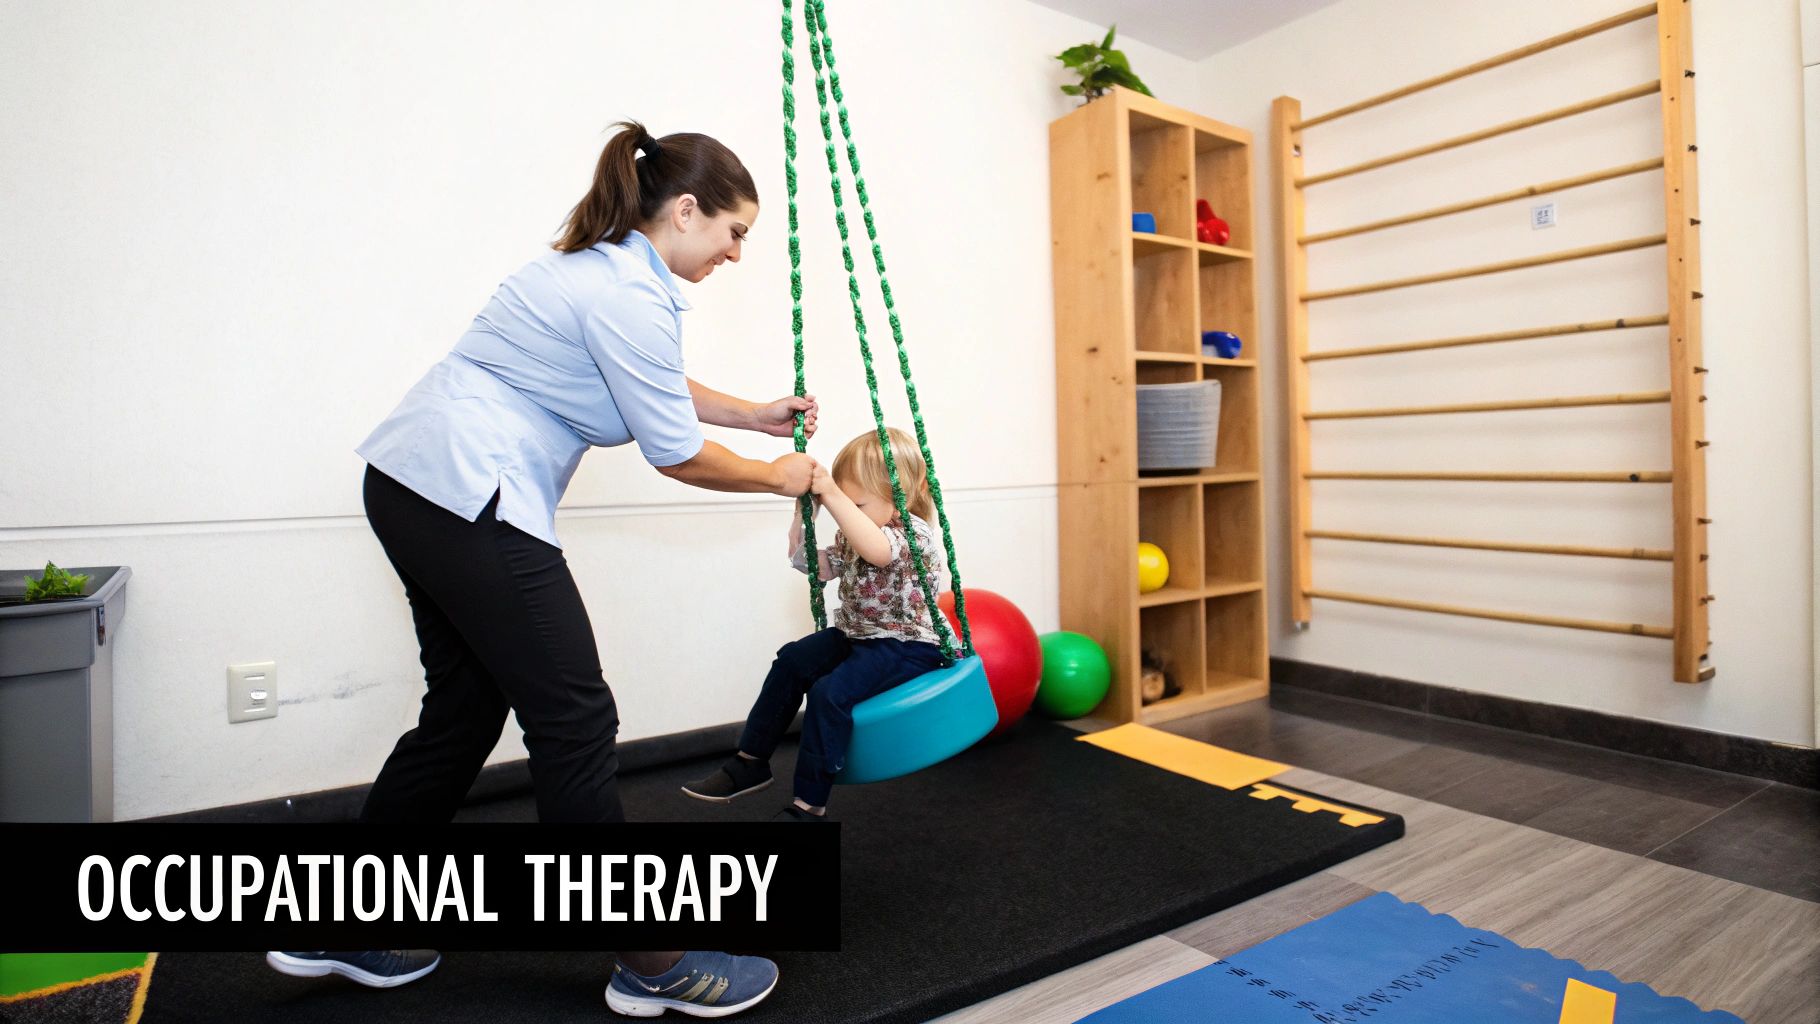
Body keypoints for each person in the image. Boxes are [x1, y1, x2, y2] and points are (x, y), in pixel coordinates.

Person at [266, 121, 809, 1018]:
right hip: (466, 490)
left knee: (465, 709)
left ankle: (342, 924)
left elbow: (648, 382)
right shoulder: (627, 294)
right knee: (574, 716)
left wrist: (752, 415)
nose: (737, 253)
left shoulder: (606, 274)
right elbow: (674, 451)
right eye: (734, 231)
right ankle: (653, 960)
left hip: (413, 482)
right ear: (685, 211)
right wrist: (776, 475)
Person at [682, 427, 947, 821]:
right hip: (858, 635)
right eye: (844, 502)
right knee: (791, 660)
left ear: (900, 498)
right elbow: (815, 566)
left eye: (857, 504)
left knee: (828, 693)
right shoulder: (852, 533)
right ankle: (750, 761)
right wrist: (803, 515)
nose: (847, 512)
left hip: (907, 646)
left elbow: (878, 552)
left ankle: (809, 806)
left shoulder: (914, 533)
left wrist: (834, 495)